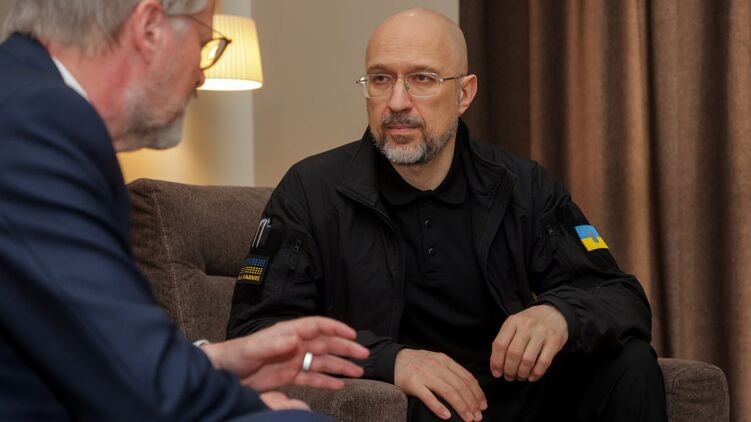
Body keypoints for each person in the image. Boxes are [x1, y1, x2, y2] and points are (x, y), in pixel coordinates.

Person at [226, 8, 668, 422]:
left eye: (422, 79)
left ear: (464, 93)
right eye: (381, 79)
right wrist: (390, 360)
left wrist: (560, 314)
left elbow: (621, 296)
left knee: (630, 365)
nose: (397, 102)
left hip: (514, 398)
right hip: (406, 406)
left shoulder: (522, 186)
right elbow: (254, 331)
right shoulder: (311, 191)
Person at [0, 0, 370, 420]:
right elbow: (137, 382)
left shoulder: (28, 102)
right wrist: (251, 404)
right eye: (205, 44)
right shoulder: (35, 121)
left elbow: (93, 341)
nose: (201, 75)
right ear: (150, 29)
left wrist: (221, 360)